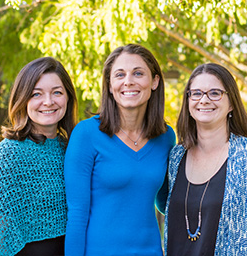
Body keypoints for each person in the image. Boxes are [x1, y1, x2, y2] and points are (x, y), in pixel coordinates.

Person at [164, 63, 247, 256]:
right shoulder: (176, 157)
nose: (204, 100)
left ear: (231, 103)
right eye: (196, 93)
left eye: (214, 93)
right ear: (188, 102)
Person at [64, 44, 176, 256]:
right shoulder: (86, 134)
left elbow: (166, 202)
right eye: (120, 74)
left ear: (154, 81)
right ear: (109, 84)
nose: (128, 81)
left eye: (138, 73)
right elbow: (77, 216)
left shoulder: (166, 137)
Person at [0, 57, 78, 256]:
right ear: (22, 100)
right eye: (36, 94)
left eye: (57, 92)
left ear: (68, 97)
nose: (48, 102)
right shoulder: (8, 156)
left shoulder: (72, 150)